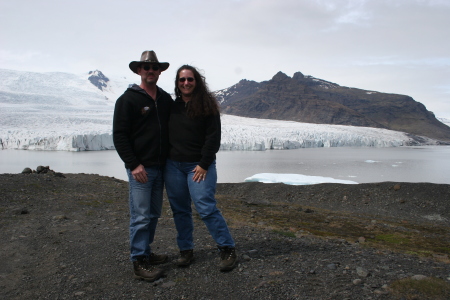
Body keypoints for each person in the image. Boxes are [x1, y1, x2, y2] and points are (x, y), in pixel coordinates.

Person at [164, 65, 238, 272]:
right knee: (180, 210)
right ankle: (185, 250)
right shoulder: (172, 106)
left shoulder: (207, 106)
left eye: (190, 79)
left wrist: (204, 164)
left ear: (197, 81)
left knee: (205, 207)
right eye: (182, 80)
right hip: (173, 166)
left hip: (198, 166)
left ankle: (227, 248)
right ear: (177, 83)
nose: (186, 83)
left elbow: (213, 138)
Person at [113, 50, 172, 282]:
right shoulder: (127, 100)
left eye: (154, 68)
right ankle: (139, 261)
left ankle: (146, 253)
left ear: (159, 71)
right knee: (140, 215)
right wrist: (133, 164)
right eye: (146, 67)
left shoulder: (165, 99)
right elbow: (119, 136)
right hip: (141, 169)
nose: (150, 71)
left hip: (160, 167)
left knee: (154, 214)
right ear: (139, 70)